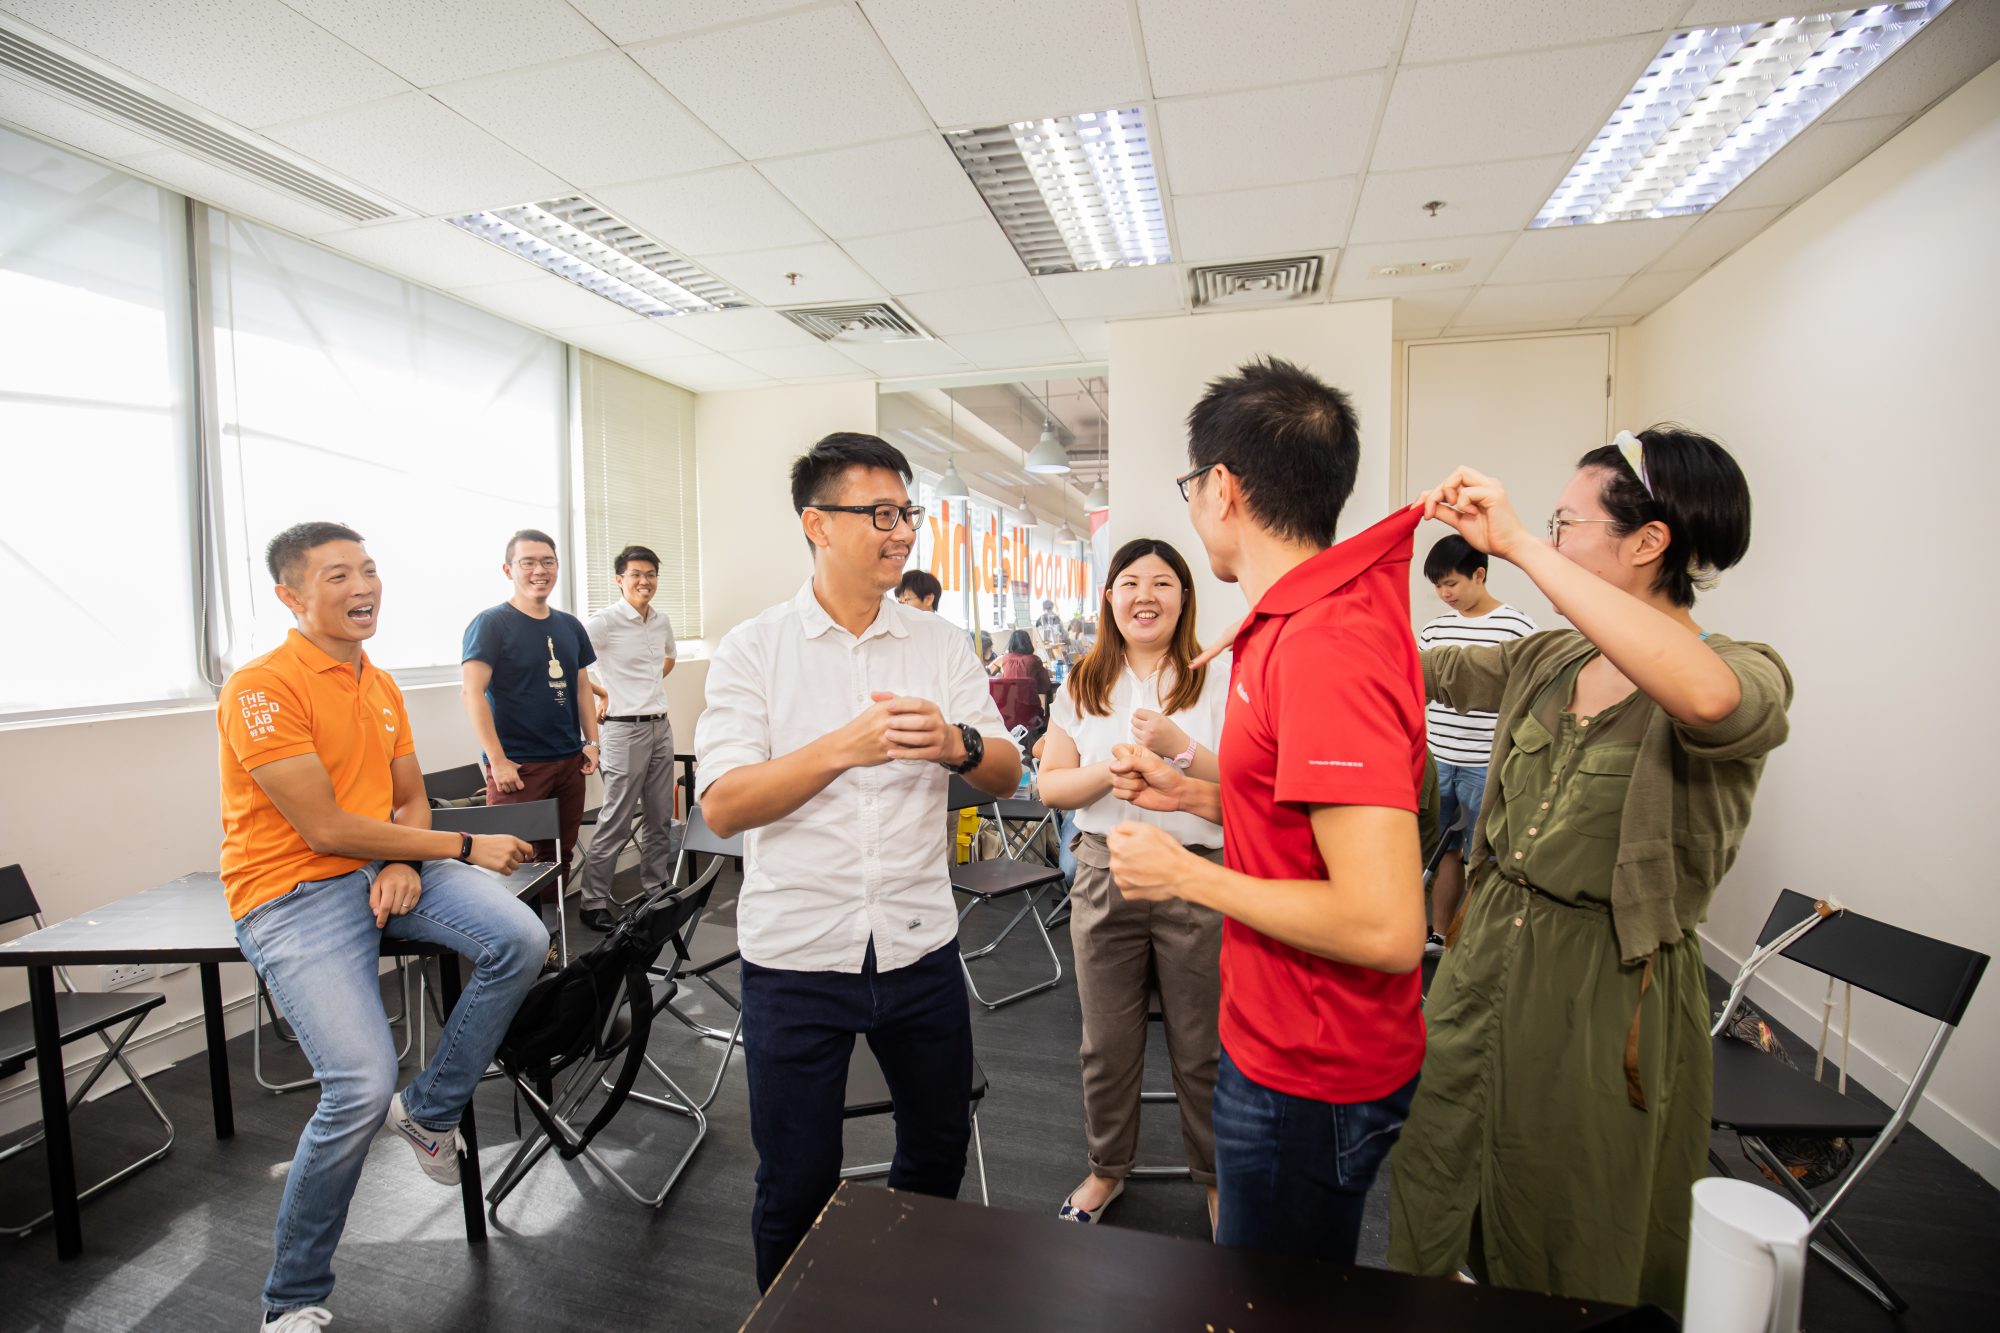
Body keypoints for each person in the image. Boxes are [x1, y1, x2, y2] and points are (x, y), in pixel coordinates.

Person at [1388, 428, 1791, 1310]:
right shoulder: (1551, 656)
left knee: (1570, 1211)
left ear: (1649, 543)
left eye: (1566, 523)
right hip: (1484, 956)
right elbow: (1428, 668)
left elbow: (1709, 702)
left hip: (1605, 985)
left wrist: (1517, 547)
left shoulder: (1740, 671)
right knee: (1438, 1158)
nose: (1550, 537)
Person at [1104, 356, 1427, 1267]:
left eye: (1190, 488)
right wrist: (1192, 792)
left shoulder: (1325, 646)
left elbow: (1385, 924)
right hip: (1275, 1030)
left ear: (1221, 488)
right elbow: (1304, 822)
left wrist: (1185, 873)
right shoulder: (1291, 623)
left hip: (1311, 1066)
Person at [695, 432, 1021, 1291]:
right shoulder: (754, 648)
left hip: (919, 946)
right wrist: (842, 746)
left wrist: (954, 742)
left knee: (938, 1149)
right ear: (818, 524)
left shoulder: (938, 643)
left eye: (907, 513)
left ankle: (901, 1295)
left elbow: (1006, 770)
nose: (903, 531)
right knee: (796, 1180)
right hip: (798, 956)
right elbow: (722, 803)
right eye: (881, 513)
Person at [219, 522, 544, 1331]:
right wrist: (461, 845)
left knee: (521, 938)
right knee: (360, 1086)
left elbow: (407, 799)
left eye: (368, 569)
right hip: (293, 889)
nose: (362, 585)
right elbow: (325, 826)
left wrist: (403, 858)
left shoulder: (380, 681)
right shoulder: (261, 687)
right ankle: (291, 1299)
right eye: (337, 575)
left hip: (383, 866)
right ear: (290, 595)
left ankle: (429, 1112)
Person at [1037, 537, 1230, 1230]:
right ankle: (1106, 1169)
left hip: (1198, 877)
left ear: (1185, 596)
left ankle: (1217, 1179)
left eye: (1162, 582)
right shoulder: (1083, 682)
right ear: (1109, 597)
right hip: (1104, 871)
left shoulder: (1219, 675)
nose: (1145, 595)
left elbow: (1249, 785)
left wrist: (1179, 747)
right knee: (1106, 1042)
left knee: (1203, 1044)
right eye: (1130, 583)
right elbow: (1051, 785)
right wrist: (1108, 773)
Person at [461, 529, 598, 935]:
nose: (540, 570)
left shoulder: (569, 626)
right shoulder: (491, 624)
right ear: (509, 570)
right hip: (518, 768)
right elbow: (472, 693)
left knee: (559, 855)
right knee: (511, 860)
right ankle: (514, 943)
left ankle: (550, 940)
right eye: (529, 563)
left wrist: (591, 742)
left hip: (568, 762)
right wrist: (498, 761)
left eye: (548, 562)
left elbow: (581, 687)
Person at [1416, 534, 1537, 955]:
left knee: (1482, 859)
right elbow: (1414, 693)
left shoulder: (1517, 627)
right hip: (1437, 761)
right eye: (1437, 585)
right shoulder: (1433, 630)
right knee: (1442, 854)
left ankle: (1471, 948)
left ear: (1479, 574)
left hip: (1486, 765)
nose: (1444, 593)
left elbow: (1528, 699)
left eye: (1451, 583)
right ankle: (1440, 935)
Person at [580, 544, 679, 932]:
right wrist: (603, 692)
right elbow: (571, 665)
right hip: (622, 730)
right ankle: (592, 902)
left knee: (660, 816)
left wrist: (648, 683)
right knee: (618, 819)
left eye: (651, 574)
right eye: (636, 574)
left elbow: (669, 657)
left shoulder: (661, 620)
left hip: (660, 726)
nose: (644, 581)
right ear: (619, 580)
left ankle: (656, 888)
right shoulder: (604, 622)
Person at [993, 627, 1053, 725]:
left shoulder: (1005, 659)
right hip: (1031, 712)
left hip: (1008, 713)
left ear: (1011, 643)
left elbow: (990, 669)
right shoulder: (1034, 660)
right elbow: (1045, 687)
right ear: (1028, 643)